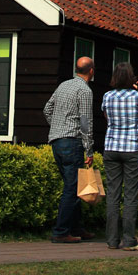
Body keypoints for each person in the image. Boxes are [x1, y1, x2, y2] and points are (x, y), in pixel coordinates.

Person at [44, 56, 96, 243]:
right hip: (72, 141)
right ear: (91, 71)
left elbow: (47, 109)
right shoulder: (84, 90)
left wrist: (57, 126)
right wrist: (89, 150)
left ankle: (76, 228)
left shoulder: (63, 85)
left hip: (56, 140)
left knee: (72, 184)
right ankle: (61, 231)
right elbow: (85, 122)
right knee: (72, 187)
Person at [101, 62, 138, 251]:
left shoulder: (107, 96)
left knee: (112, 194)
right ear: (131, 79)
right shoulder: (137, 97)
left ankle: (112, 240)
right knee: (130, 195)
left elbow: (107, 118)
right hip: (133, 147)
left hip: (112, 146)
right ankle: (129, 240)